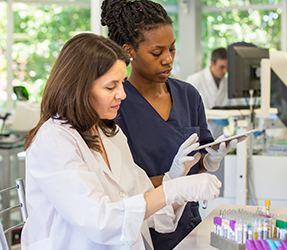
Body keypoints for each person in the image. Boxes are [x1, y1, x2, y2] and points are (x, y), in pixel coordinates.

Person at [20, 32, 222, 250]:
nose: (122, 94)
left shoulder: (110, 133)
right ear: (79, 88)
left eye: (122, 83)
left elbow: (143, 202)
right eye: (111, 86)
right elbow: (100, 220)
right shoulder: (53, 140)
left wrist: (175, 180)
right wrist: (173, 190)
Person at [100, 1, 240, 249]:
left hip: (188, 227)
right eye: (157, 52)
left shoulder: (188, 95)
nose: (168, 60)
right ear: (129, 50)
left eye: (172, 49)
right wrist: (174, 181)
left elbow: (198, 168)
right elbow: (121, 191)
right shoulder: (116, 105)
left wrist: (210, 160)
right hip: (144, 232)